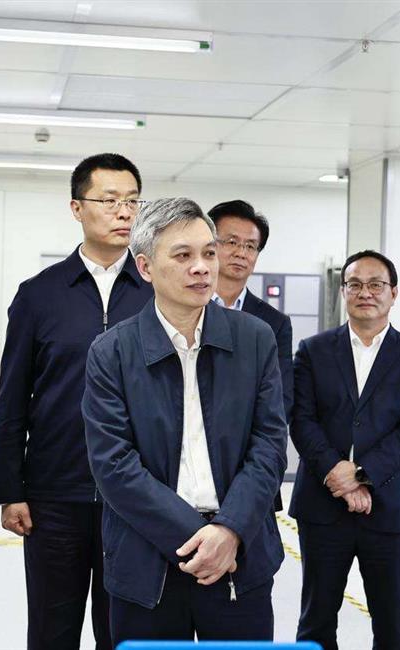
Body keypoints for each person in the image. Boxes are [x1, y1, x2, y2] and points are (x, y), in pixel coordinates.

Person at [82, 198, 287, 644]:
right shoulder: (112, 352)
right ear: (145, 267)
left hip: (239, 557)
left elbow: (269, 445)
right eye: (183, 255)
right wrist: (201, 538)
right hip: (147, 559)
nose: (202, 267)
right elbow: (113, 464)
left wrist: (229, 530)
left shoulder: (255, 339)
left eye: (209, 253)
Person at [0, 154, 153, 650]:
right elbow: (13, 396)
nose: (123, 212)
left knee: (122, 629)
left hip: (136, 493)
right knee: (51, 629)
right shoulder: (39, 295)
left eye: (132, 202)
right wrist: (9, 489)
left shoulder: (156, 292)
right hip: (54, 494)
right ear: (77, 208)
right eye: (109, 200)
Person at [290, 250, 400, 650]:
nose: (365, 292)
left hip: (390, 506)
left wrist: (359, 474)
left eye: (376, 284)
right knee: (316, 621)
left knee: (392, 626)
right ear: (343, 291)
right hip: (323, 506)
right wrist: (334, 472)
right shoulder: (313, 350)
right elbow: (301, 419)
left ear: (394, 293)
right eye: (354, 284)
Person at [208, 199, 293, 511]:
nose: (241, 252)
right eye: (231, 242)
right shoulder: (184, 308)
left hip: (252, 466)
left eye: (250, 246)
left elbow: (281, 399)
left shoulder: (274, 323)